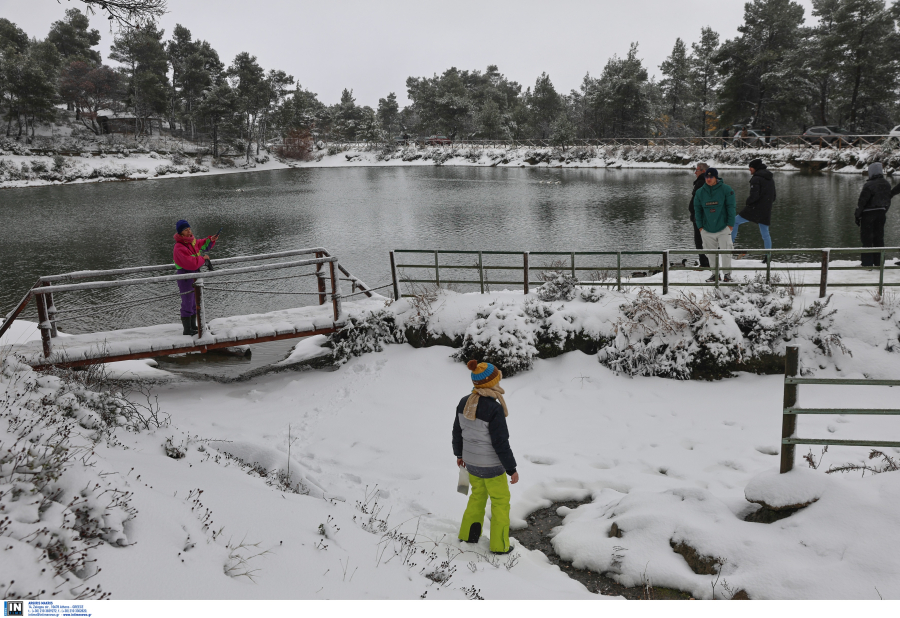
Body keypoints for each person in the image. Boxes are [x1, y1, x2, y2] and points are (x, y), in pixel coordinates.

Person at [453, 360, 518, 554]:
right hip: (492, 467)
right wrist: (511, 469)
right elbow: (500, 442)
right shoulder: (494, 408)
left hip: (471, 463)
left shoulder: (464, 402)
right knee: (500, 502)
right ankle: (499, 545)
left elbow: (457, 431)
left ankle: (468, 535)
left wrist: (459, 454)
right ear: (491, 382)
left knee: (477, 497)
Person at [173, 219, 219, 335]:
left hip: (194, 275)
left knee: (193, 302)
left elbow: (201, 244)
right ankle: (187, 330)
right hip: (185, 276)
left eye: (189, 229)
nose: (189, 231)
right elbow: (191, 263)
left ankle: (193, 326)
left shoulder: (191, 242)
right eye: (186, 230)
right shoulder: (179, 247)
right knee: (187, 302)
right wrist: (204, 259)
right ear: (180, 233)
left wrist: (210, 240)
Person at [693, 168, 736, 282]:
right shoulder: (700, 192)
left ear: (716, 177)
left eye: (711, 177)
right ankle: (714, 274)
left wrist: (730, 225)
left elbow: (731, 208)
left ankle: (727, 274)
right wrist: (700, 227)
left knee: (726, 251)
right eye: (707, 177)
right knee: (710, 253)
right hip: (706, 229)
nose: (708, 179)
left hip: (723, 228)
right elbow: (697, 210)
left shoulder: (726, 189)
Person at [732, 158, 775, 262]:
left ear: (755, 168)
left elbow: (754, 195)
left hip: (754, 208)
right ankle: (768, 256)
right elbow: (773, 197)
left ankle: (727, 248)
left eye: (750, 168)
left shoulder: (756, 178)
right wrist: (766, 204)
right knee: (765, 233)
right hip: (765, 209)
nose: (749, 170)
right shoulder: (770, 178)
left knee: (734, 221)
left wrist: (748, 202)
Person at [856, 162, 891, 267]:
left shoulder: (869, 185)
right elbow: (888, 201)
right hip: (881, 213)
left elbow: (862, 202)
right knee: (879, 238)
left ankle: (867, 263)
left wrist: (857, 215)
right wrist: (883, 211)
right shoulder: (886, 184)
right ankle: (879, 261)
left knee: (867, 238)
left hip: (868, 214)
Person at [690, 163, 711, 268]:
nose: (695, 172)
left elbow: (696, 201)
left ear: (703, 171)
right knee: (707, 239)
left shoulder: (701, 182)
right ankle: (708, 261)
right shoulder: (711, 181)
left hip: (699, 216)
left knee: (699, 240)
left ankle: (704, 263)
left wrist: (694, 212)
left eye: (697, 170)